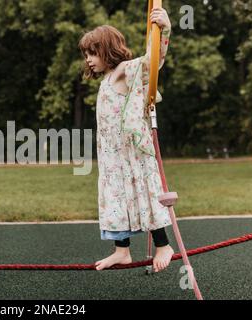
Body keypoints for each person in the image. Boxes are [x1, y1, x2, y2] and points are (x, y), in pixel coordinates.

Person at [78, 8, 174, 272]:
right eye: (86, 55)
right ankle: (122, 251)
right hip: (112, 156)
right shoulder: (107, 79)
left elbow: (153, 61)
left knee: (144, 192)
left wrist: (163, 29)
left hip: (131, 152)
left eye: (93, 53)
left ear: (108, 50)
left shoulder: (122, 70)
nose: (88, 60)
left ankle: (163, 244)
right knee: (114, 197)